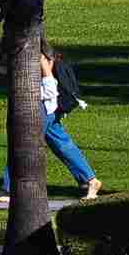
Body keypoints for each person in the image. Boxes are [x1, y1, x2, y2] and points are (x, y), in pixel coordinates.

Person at [36, 48, 102, 204]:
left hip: (44, 106)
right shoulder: (34, 52)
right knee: (62, 144)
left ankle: (11, 189)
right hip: (47, 107)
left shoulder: (38, 54)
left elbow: (49, 80)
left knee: (23, 144)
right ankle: (91, 181)